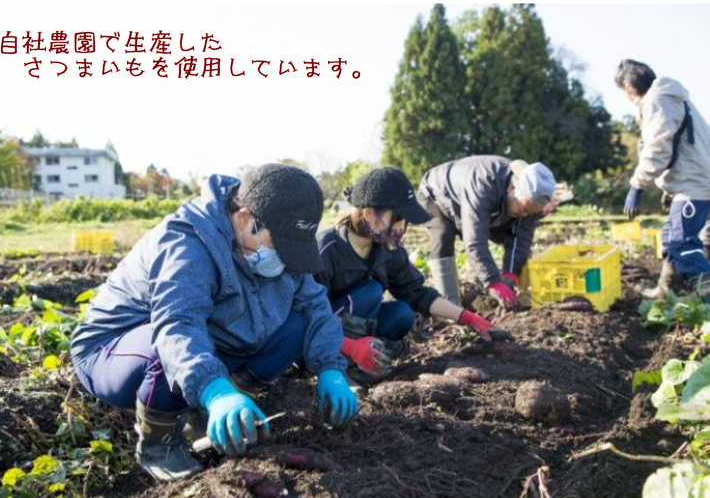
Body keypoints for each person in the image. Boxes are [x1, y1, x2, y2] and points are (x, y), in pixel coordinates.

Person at [70, 164, 358, 481]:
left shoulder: (269, 236)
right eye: (281, 245)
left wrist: (331, 368)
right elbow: (177, 327)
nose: (285, 258)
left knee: (296, 325)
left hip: (203, 338)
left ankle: (208, 406)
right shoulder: (188, 243)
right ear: (246, 218)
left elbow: (314, 304)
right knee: (163, 345)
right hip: (115, 350)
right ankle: (158, 443)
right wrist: (214, 391)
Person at [314, 167, 510, 381]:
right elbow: (309, 314)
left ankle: (370, 358)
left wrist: (468, 317)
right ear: (369, 214)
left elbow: (417, 293)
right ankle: (343, 365)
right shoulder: (325, 249)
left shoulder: (387, 249)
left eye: (404, 222)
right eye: (398, 219)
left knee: (402, 314)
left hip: (355, 329)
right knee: (371, 292)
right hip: (319, 338)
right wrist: (349, 346)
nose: (401, 228)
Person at [615, 59, 710, 299]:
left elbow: (658, 149)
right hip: (692, 181)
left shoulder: (658, 101)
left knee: (681, 244)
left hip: (693, 185)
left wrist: (637, 186)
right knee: (671, 238)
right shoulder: (669, 98)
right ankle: (665, 291)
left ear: (629, 86)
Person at [417, 156, 556, 308]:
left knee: (510, 232)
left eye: (529, 213)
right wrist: (493, 281)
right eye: (523, 209)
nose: (525, 215)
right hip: (436, 193)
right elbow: (475, 240)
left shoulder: (531, 202)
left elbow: (521, 238)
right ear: (512, 188)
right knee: (443, 235)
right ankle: (449, 306)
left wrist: (510, 273)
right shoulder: (483, 184)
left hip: (483, 203)